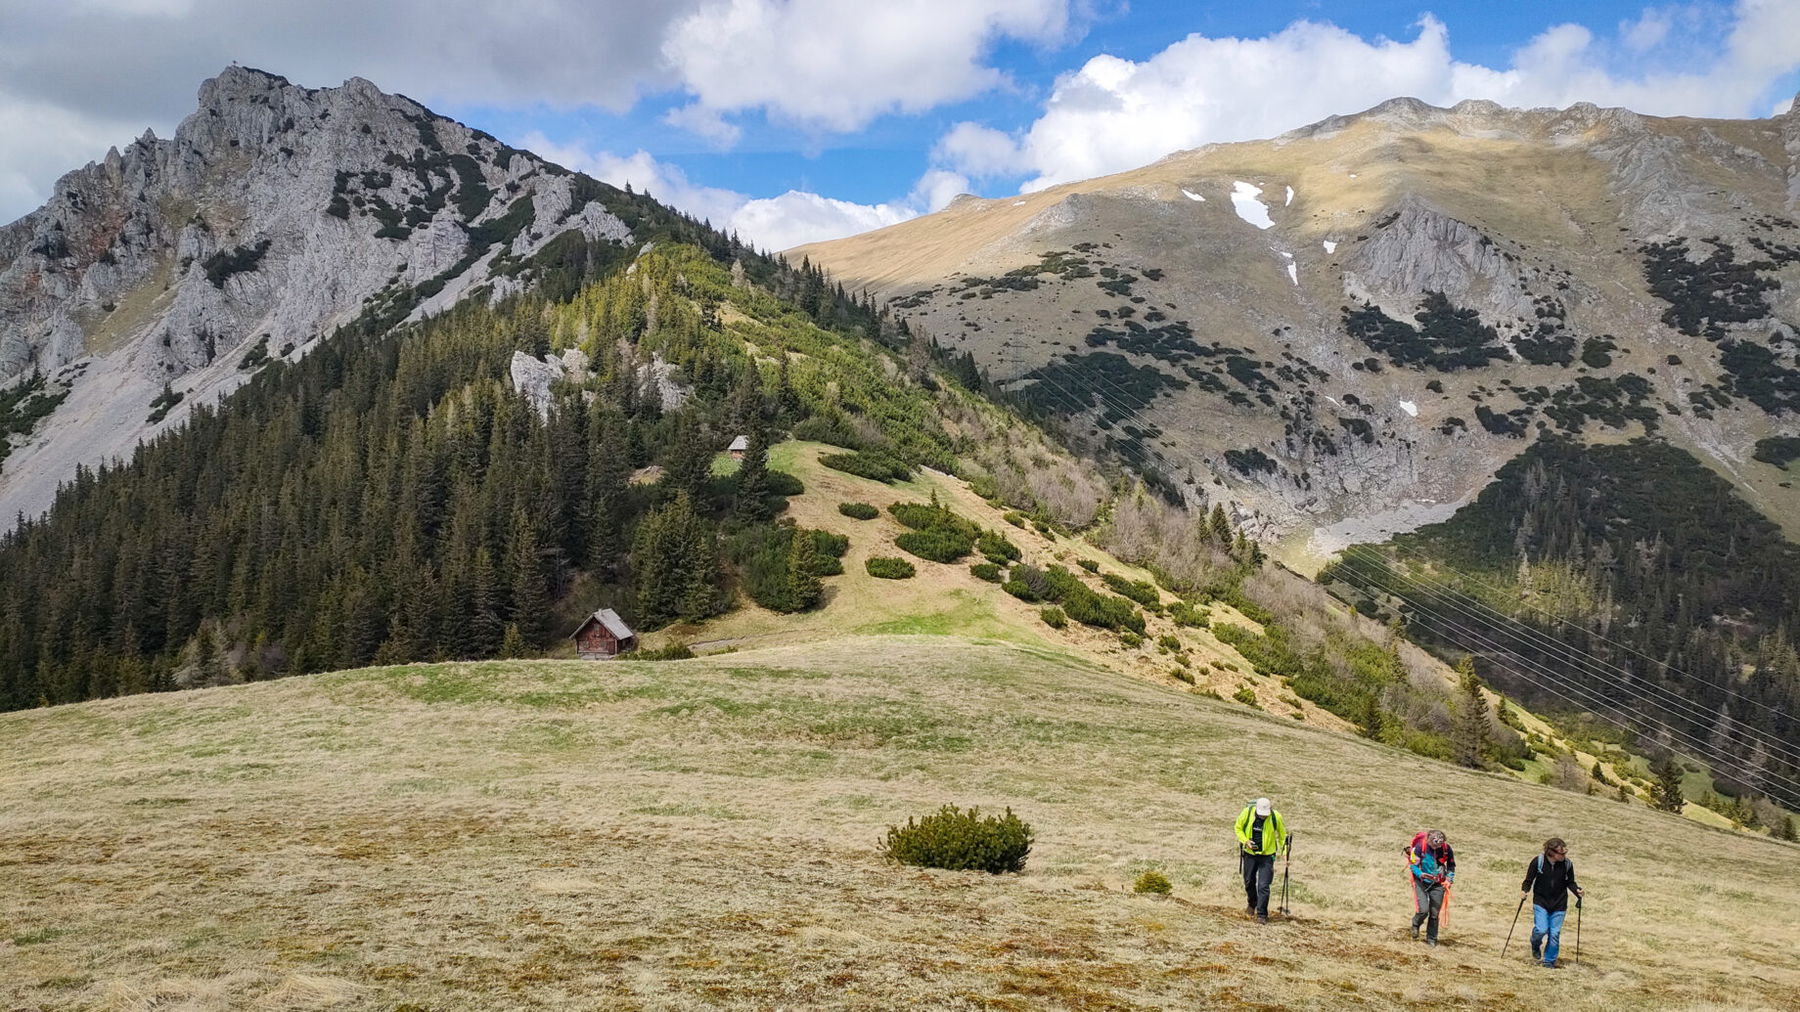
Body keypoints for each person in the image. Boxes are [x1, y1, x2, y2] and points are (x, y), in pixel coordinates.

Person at [1522, 837, 1583, 968]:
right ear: (1552, 853)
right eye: (1562, 853)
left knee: (1554, 934)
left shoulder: (1567, 864)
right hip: (1541, 902)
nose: (1564, 856)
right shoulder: (1538, 862)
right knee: (1541, 929)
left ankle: (1549, 962)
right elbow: (1528, 880)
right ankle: (1535, 943)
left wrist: (1577, 891)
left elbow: (1570, 882)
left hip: (1559, 904)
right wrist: (1525, 891)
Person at [1234, 797, 1287, 923]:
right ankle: (1252, 904)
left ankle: (1262, 914)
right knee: (1248, 881)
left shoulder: (1276, 817)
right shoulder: (1246, 813)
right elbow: (1238, 828)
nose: (1263, 817)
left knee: (1263, 885)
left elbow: (1282, 835)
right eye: (1261, 815)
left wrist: (1285, 853)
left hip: (1267, 856)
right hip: (1249, 854)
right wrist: (1246, 841)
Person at [1405, 828, 1456, 945]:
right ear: (1427, 840)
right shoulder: (1419, 847)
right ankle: (1416, 923)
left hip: (1438, 884)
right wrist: (1421, 874)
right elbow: (1413, 865)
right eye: (1433, 845)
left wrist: (1449, 879)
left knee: (1434, 913)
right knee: (1423, 910)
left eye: (1438, 846)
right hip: (1421, 882)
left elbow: (1451, 865)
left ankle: (1431, 939)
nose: (1435, 848)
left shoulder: (1446, 849)